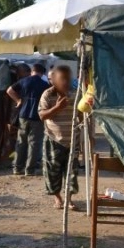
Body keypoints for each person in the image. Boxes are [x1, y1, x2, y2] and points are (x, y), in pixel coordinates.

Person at [38, 65, 80, 209]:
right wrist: (57, 108)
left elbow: (82, 113)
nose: (66, 82)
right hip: (53, 140)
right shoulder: (47, 95)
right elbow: (42, 115)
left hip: (72, 140)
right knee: (52, 172)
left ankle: (69, 199)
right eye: (62, 79)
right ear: (54, 80)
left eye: (68, 78)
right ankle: (58, 198)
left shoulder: (76, 93)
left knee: (72, 172)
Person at [6, 63, 49, 176]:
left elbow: (9, 90)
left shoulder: (24, 81)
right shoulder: (45, 85)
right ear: (42, 73)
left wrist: (18, 100)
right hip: (38, 117)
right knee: (34, 143)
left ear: (32, 71)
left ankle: (17, 168)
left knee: (21, 142)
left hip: (23, 115)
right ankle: (30, 170)